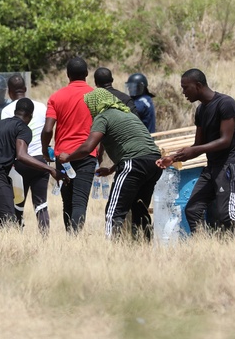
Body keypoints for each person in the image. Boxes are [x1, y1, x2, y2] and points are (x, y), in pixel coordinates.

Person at [58, 88, 162, 241]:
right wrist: (112, 169)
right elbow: (137, 146)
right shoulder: (128, 114)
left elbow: (87, 147)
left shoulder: (103, 117)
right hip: (154, 163)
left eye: (89, 106)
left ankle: (110, 250)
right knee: (140, 210)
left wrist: (68, 157)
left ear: (95, 104)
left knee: (113, 212)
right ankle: (143, 247)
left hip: (133, 163)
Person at [159, 68, 235, 232]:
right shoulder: (200, 110)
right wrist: (173, 158)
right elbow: (198, 144)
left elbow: (225, 140)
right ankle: (203, 245)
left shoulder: (225, 103)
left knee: (227, 216)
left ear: (198, 86)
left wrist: (196, 150)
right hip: (212, 167)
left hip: (230, 165)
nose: (183, 92)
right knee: (193, 210)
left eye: (185, 87)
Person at [0, 98, 59, 229]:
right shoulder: (24, 129)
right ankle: (10, 246)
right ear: (30, 116)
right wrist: (50, 169)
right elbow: (22, 155)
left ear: (15, 111)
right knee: (9, 220)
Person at [41, 57, 97, 234]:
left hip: (63, 157)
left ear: (67, 74)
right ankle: (75, 238)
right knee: (80, 201)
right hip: (87, 154)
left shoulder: (56, 97)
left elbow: (48, 128)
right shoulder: (96, 96)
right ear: (87, 74)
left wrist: (45, 149)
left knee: (67, 200)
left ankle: (70, 237)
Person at [0, 74, 51, 233]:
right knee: (41, 203)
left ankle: (17, 236)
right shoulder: (41, 107)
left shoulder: (7, 111)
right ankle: (44, 237)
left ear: (9, 92)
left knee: (17, 203)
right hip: (40, 161)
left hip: (19, 162)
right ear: (26, 89)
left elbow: (7, 139)